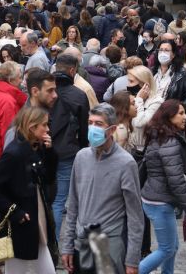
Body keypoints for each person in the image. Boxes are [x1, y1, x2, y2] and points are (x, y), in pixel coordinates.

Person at [61, 103, 144, 274]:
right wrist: (67, 245)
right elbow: (73, 205)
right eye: (90, 122)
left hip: (107, 246)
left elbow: (135, 216)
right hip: (81, 244)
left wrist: (132, 260)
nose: (92, 128)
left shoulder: (126, 163)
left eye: (99, 124)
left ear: (112, 129)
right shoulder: (81, 157)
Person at [0, 107, 58, 274]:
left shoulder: (36, 147)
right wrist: (14, 211)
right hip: (21, 226)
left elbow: (48, 178)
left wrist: (50, 153)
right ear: (32, 127)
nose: (47, 129)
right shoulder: (14, 153)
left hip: (36, 219)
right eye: (44, 125)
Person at [139, 99, 186, 274]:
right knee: (166, 249)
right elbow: (176, 181)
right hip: (160, 203)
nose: (185, 117)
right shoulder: (169, 142)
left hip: (156, 199)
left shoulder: (160, 135)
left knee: (172, 246)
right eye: (181, 113)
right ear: (168, 117)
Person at [50, 53, 90, 242]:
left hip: (45, 149)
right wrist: (82, 147)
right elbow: (84, 128)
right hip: (67, 151)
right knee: (59, 202)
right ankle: (55, 246)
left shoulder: (46, 90)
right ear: (73, 70)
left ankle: (48, 246)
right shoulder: (79, 95)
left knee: (50, 201)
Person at [153, 40, 186, 110]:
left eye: (166, 50)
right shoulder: (152, 72)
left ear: (173, 55)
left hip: (170, 116)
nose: (162, 53)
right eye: (160, 50)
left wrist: (175, 109)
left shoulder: (183, 74)